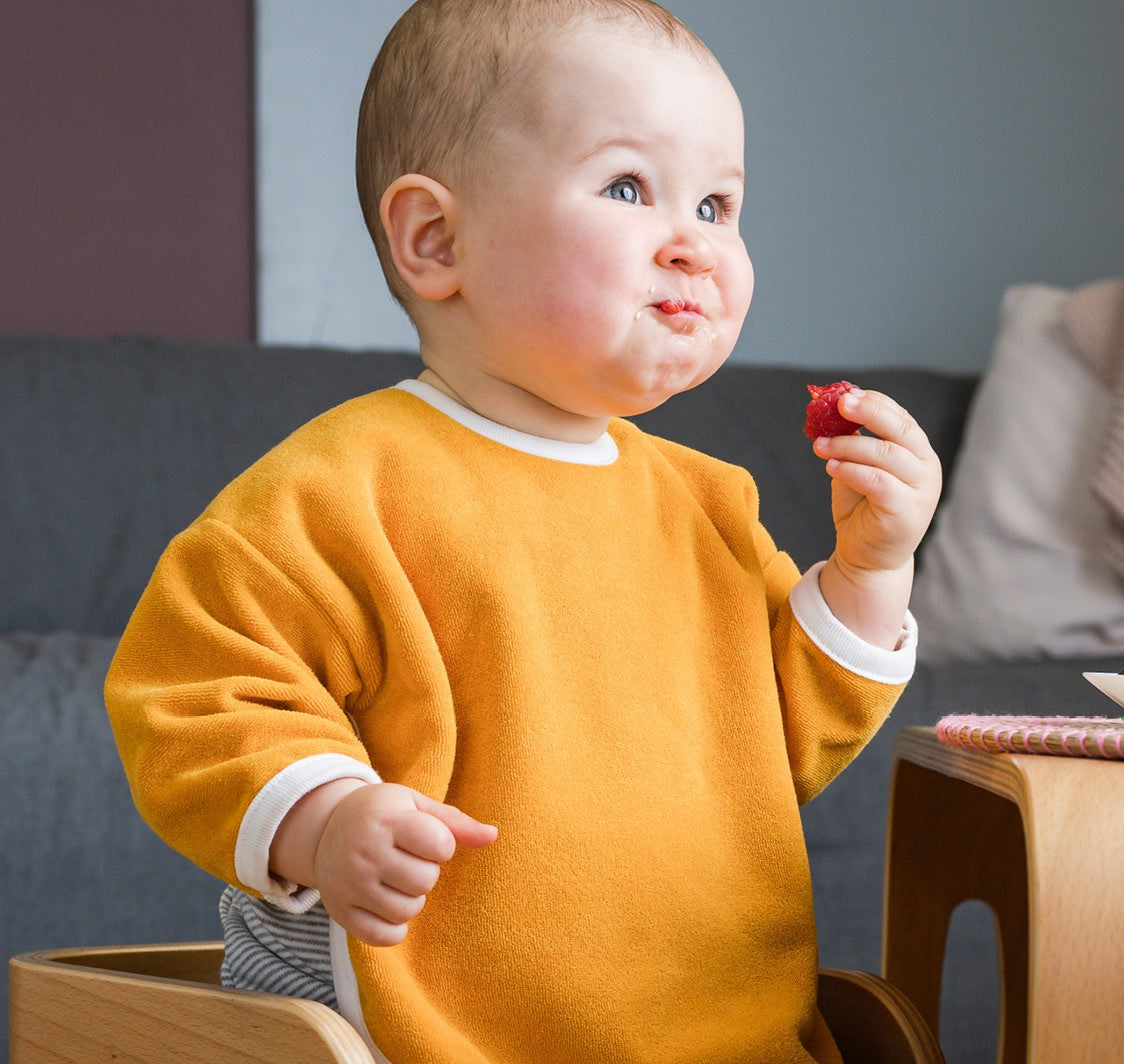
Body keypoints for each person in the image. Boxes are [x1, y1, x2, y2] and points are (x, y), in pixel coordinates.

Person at [104, 0, 942, 1061]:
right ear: (436, 238)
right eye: (629, 188)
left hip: (714, 1017)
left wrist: (870, 569)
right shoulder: (343, 485)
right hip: (437, 1019)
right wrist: (325, 821)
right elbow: (192, 689)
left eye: (720, 204)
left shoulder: (711, 502)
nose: (693, 243)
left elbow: (784, 738)